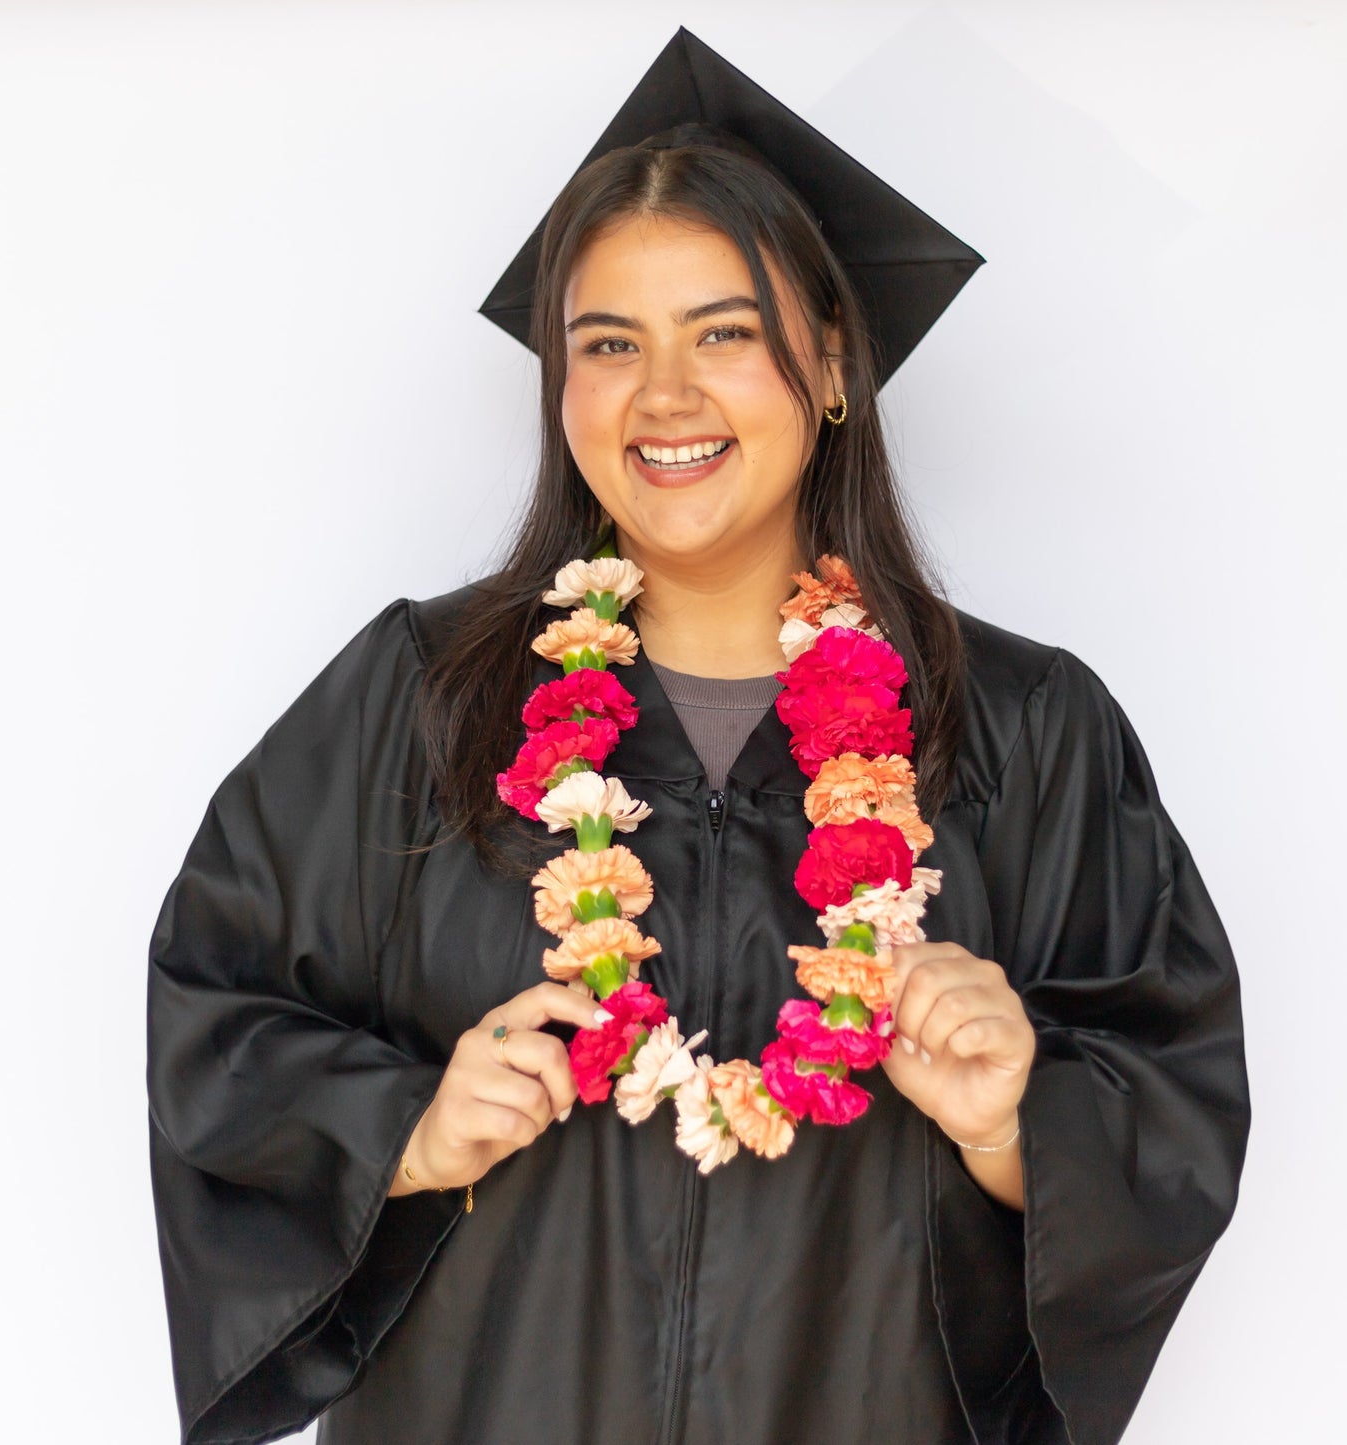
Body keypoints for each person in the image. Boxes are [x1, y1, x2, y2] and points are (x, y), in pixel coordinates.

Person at [148, 29, 1249, 1445]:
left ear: (831, 361)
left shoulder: (1021, 735)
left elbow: (1172, 1097)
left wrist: (1009, 1124)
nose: (663, 395)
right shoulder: (420, 701)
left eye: (723, 332)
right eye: (609, 343)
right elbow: (215, 1009)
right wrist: (405, 1129)